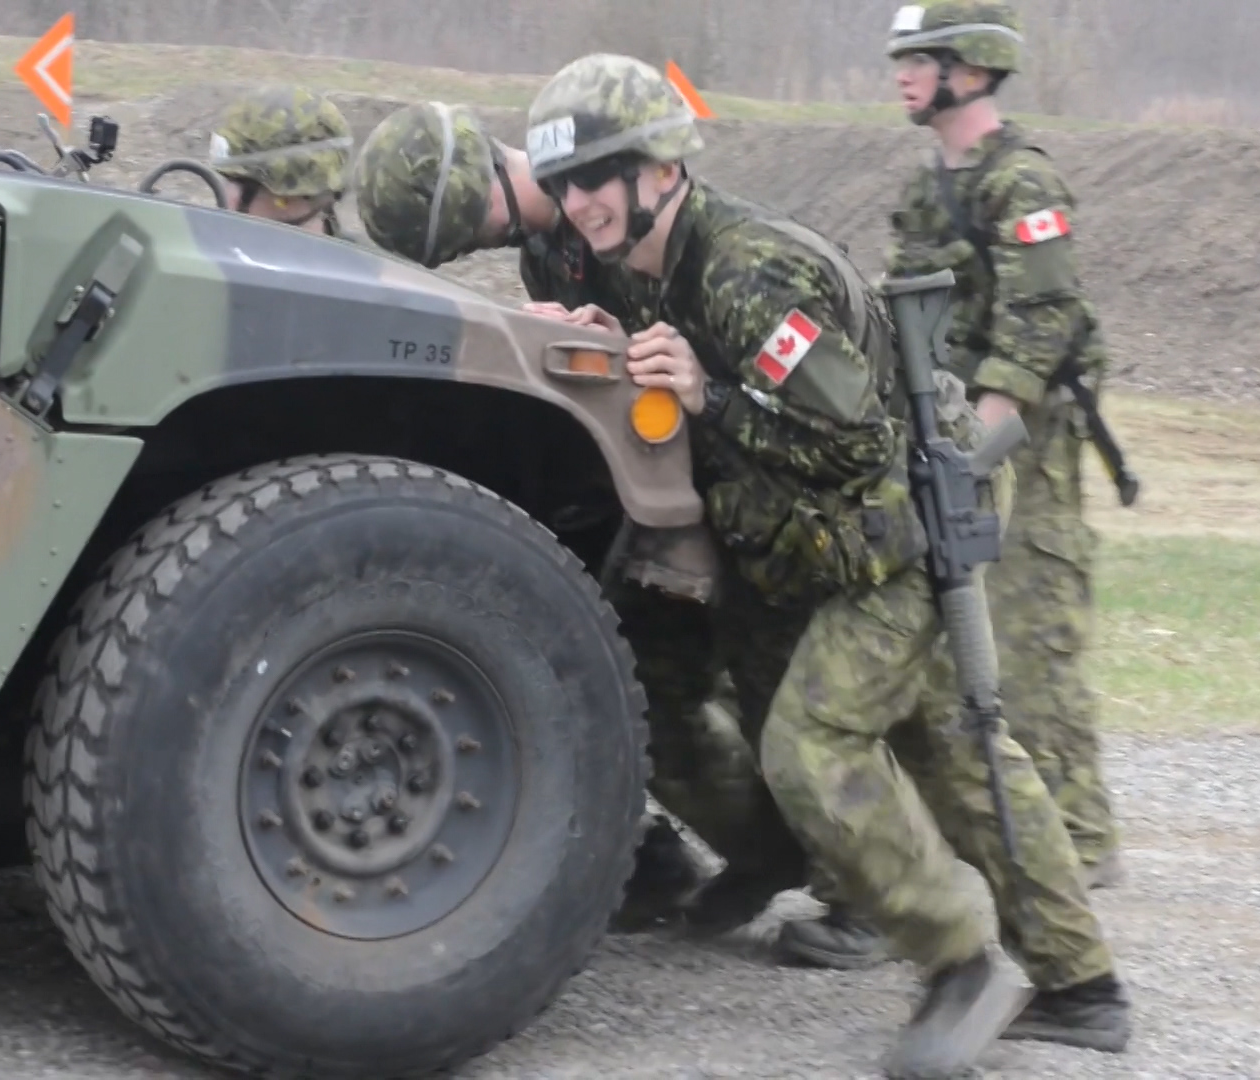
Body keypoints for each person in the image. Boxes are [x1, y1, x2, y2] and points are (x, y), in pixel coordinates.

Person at [523, 53, 1132, 1073]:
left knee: (815, 746)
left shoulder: (743, 270)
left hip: (881, 548)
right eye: (564, 184)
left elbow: (848, 441)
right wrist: (610, 340)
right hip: (823, 554)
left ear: (659, 169)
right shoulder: (658, 269)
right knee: (956, 755)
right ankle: (1082, 985)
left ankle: (960, 966)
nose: (577, 202)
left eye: (597, 175)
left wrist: (711, 395)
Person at [352, 100, 891, 963]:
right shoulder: (549, 251)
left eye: (477, 223)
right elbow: (644, 352)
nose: (493, 238)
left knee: (798, 707)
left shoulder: (642, 202)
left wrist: (678, 379)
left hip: (791, 482)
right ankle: (768, 857)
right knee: (671, 690)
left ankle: (873, 896)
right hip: (694, 482)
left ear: (489, 173)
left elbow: (754, 359)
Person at [882, 1, 1127, 896]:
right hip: (954, 437)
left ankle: (1078, 840)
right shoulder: (925, 188)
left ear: (972, 70)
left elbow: (1042, 320)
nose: (903, 73)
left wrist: (979, 443)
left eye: (922, 58)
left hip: (1024, 437)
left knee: (1029, 639)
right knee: (948, 645)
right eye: (902, 58)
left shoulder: (1021, 184)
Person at [208, 85, 355, 236]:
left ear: (286, 198)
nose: (226, 196)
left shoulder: (356, 259)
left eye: (238, 182)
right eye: (226, 180)